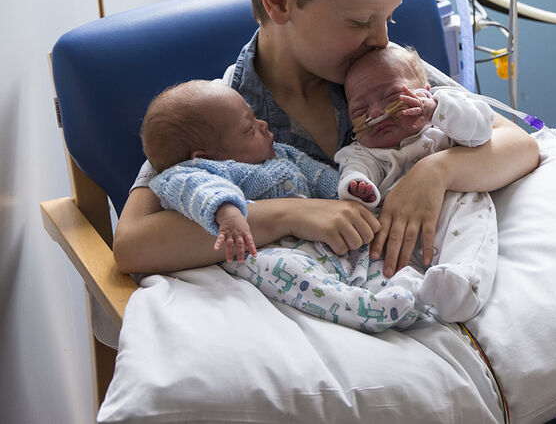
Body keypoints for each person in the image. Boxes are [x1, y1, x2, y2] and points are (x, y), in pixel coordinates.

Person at [113, 0, 539, 290]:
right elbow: (133, 242)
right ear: (279, 1)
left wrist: (436, 172)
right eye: (359, 21)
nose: (379, 39)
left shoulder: (379, 72)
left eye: (388, 18)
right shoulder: (223, 113)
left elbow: (518, 144)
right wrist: (291, 214)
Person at [141, 79, 420, 332]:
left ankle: (403, 299)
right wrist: (227, 211)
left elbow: (320, 177)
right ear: (207, 156)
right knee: (293, 274)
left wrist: (352, 193)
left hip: (317, 242)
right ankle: (363, 310)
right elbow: (199, 188)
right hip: (261, 249)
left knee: (363, 255)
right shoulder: (193, 172)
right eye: (250, 128)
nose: (263, 125)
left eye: (256, 117)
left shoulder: (283, 155)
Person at [335, 44, 498, 321]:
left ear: (424, 90)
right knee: (376, 253)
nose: (375, 113)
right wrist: (357, 185)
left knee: (471, 217)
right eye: (360, 110)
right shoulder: (365, 151)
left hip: (452, 208)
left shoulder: (440, 124)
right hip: (398, 230)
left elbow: (481, 129)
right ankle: (404, 292)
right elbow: (353, 169)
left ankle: (462, 283)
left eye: (392, 97)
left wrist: (436, 109)